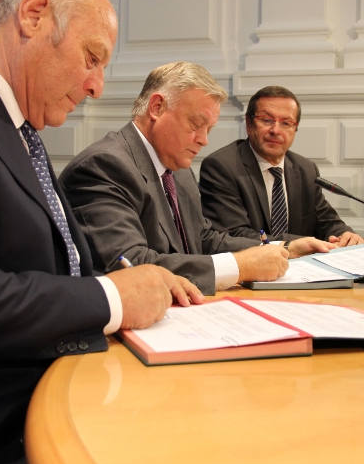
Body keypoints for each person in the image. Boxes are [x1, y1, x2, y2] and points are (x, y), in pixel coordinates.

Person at [0, 0, 203, 464]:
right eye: (92, 58)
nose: (96, 87)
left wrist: (130, 286)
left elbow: (61, 266)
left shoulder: (19, 126)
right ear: (33, 15)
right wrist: (113, 297)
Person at [60, 63, 334, 298]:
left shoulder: (177, 168)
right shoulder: (103, 166)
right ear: (157, 107)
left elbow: (204, 238)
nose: (204, 140)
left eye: (209, 129)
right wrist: (239, 266)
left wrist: (283, 248)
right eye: (195, 125)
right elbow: (131, 264)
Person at [199, 85, 364, 245]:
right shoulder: (222, 167)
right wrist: (295, 245)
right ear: (249, 124)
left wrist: (344, 234)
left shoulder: (306, 169)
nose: (275, 130)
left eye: (286, 123)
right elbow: (234, 234)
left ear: (295, 129)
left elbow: (327, 222)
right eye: (267, 120)